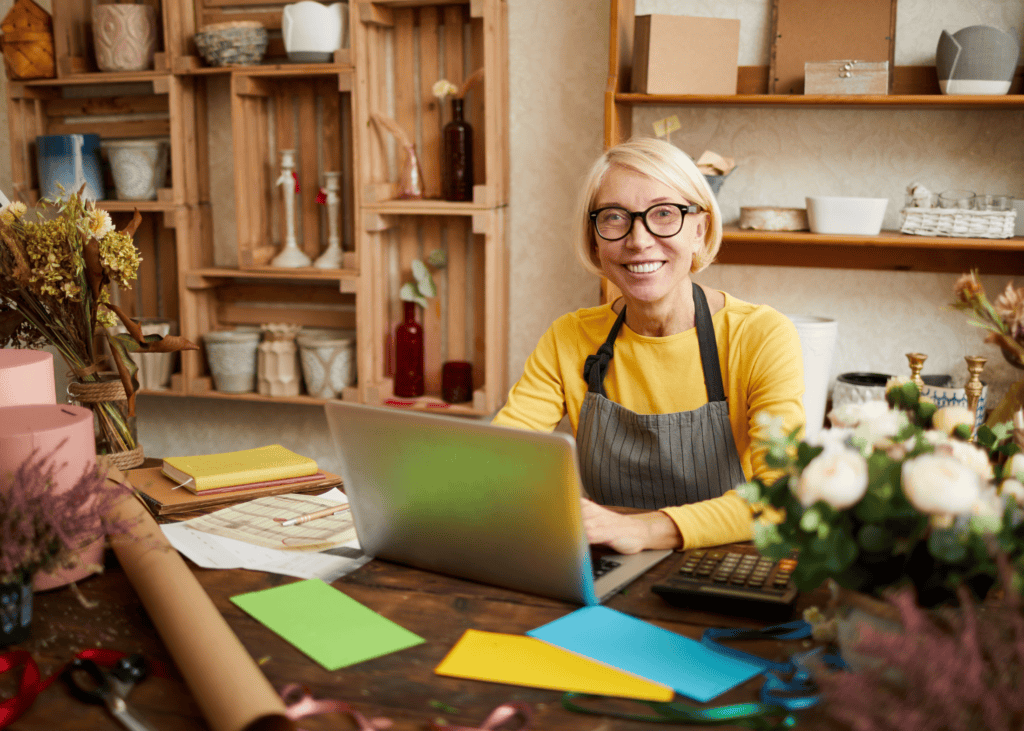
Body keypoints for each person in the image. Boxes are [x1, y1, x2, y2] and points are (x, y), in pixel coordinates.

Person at [492, 137, 805, 555]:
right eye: (615, 218)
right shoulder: (569, 338)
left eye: (663, 214)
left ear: (700, 229)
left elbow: (779, 498)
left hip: (724, 568)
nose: (638, 240)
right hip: (607, 566)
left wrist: (643, 531)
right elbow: (501, 458)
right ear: (595, 239)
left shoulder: (761, 336)